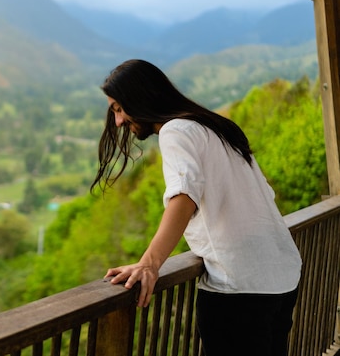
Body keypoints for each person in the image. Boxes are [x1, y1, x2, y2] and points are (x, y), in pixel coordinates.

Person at [91, 59, 302, 356]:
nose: (118, 121)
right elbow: (265, 195)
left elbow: (184, 196)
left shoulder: (175, 131)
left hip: (239, 287)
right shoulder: (215, 128)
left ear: (139, 97)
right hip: (280, 278)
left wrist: (149, 264)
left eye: (118, 108)